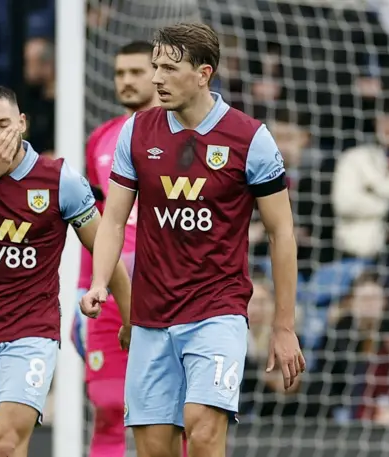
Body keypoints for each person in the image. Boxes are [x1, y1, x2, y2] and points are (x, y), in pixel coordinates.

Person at [80, 23, 305, 457]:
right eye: (155, 67)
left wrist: (283, 325)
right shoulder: (136, 132)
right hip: (152, 314)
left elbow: (281, 234)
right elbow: (112, 220)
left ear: (203, 74)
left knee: (202, 435)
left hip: (216, 312)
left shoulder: (250, 138)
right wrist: (99, 282)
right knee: (154, 449)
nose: (156, 78)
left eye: (169, 68)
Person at [0, 86, 132, 457]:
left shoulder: (59, 179)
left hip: (31, 329)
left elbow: (104, 247)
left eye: (3, 123)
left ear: (21, 123)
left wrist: (131, 317)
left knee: (8, 442)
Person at [73, 40, 160, 457]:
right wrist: (81, 286)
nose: (125, 81)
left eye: (136, 72)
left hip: (168, 289)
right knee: (108, 405)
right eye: (120, 73)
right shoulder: (100, 139)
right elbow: (93, 223)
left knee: (172, 412)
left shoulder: (186, 138)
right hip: (109, 294)